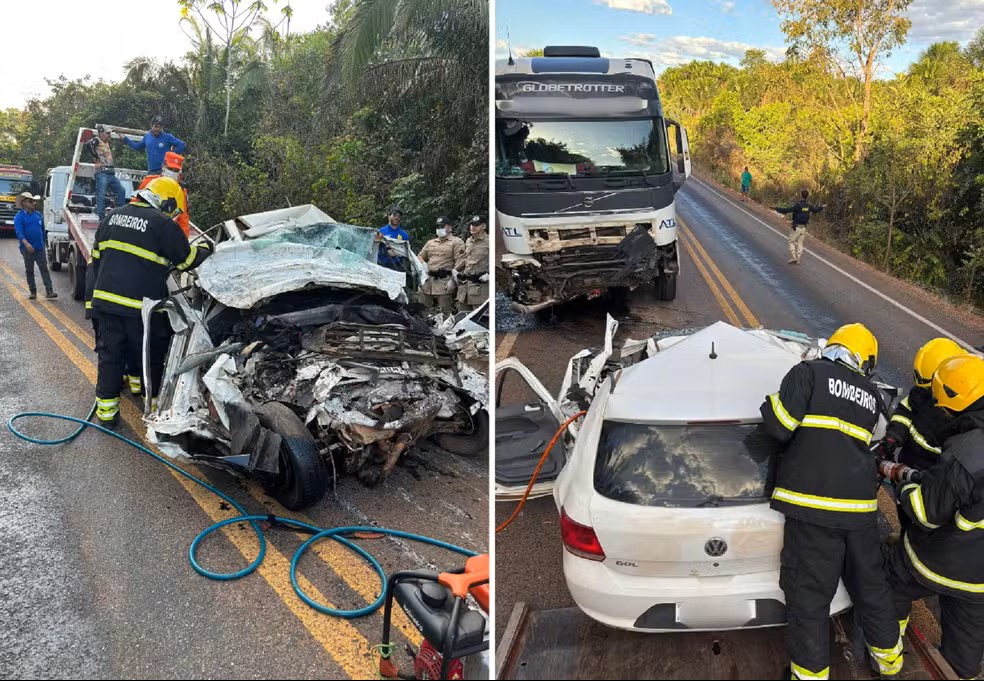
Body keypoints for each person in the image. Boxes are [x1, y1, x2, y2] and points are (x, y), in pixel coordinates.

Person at [759, 323, 904, 680]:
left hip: (813, 509)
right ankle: (891, 665)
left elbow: (778, 426)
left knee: (809, 600)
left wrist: (769, 405)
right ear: (865, 361)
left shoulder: (808, 373)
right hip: (859, 513)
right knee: (871, 589)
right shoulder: (871, 395)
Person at [881, 354, 984, 681]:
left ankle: (887, 660)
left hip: (944, 560)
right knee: (964, 651)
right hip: (980, 580)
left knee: (890, 579)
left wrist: (905, 486)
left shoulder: (969, 450)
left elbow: (927, 513)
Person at [85, 177, 210, 428]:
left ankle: (107, 416)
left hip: (106, 304)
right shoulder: (162, 225)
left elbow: (95, 261)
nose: (173, 215)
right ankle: (151, 409)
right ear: (165, 201)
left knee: (110, 357)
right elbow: (185, 260)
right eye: (173, 210)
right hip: (139, 308)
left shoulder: (112, 217)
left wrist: (93, 304)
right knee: (148, 356)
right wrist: (208, 247)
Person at [878, 338, 964, 472]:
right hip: (907, 465)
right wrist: (893, 436)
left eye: (930, 388)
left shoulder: (963, 409)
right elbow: (905, 411)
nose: (926, 392)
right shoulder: (922, 392)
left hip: (934, 477)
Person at [137, 152, 190, 237]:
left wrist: (184, 243)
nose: (172, 173)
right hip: (144, 226)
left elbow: (182, 219)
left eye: (175, 170)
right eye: (170, 169)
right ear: (163, 166)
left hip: (166, 231)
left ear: (179, 172)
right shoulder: (148, 182)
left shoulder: (181, 191)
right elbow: (134, 205)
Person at [13, 192, 56, 300]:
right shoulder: (19, 217)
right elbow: (19, 233)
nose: (33, 203)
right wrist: (27, 244)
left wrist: (45, 245)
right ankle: (33, 291)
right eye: (30, 201)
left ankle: (49, 290)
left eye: (33, 201)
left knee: (44, 269)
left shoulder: (38, 215)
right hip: (27, 249)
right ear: (24, 203)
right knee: (30, 270)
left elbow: (42, 231)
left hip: (39, 248)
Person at [418, 216, 465, 313]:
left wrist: (453, 280)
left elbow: (461, 262)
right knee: (423, 311)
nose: (440, 229)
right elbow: (420, 256)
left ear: (450, 228)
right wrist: (423, 263)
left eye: (443, 226)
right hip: (428, 281)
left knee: (445, 312)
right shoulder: (430, 243)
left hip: (444, 281)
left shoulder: (456, 242)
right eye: (438, 227)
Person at [84, 125, 128, 220]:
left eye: (110, 133)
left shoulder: (106, 142)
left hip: (110, 172)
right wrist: (96, 157)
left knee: (121, 191)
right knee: (101, 193)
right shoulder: (97, 140)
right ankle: (101, 215)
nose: (109, 135)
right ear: (101, 133)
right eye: (107, 133)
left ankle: (118, 213)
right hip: (102, 171)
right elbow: (88, 145)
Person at [121, 116, 186, 174]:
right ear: (151, 126)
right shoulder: (147, 137)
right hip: (151, 171)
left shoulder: (167, 137)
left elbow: (181, 145)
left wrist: (170, 155)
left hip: (164, 171)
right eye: (156, 126)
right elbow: (137, 147)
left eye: (160, 127)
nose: (158, 129)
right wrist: (126, 139)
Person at [775, 189, 823, 265]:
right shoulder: (809, 206)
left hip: (796, 227)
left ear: (801, 195)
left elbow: (787, 210)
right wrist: (821, 207)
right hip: (803, 228)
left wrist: (778, 209)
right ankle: (799, 258)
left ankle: (794, 256)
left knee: (791, 241)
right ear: (807, 196)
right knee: (800, 243)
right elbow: (816, 210)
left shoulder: (798, 205)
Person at [454, 215, 489, 312]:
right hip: (465, 287)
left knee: (479, 318)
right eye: (472, 224)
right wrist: (455, 270)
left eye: (476, 225)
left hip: (480, 286)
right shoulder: (469, 241)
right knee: (463, 316)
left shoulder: (489, 242)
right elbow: (467, 259)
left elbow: (496, 261)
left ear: (484, 226)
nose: (473, 227)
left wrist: (490, 275)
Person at [377, 206, 410, 270]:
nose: (397, 218)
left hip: (397, 267)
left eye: (399, 216)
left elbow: (406, 252)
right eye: (394, 215)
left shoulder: (404, 235)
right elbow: (375, 247)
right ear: (389, 217)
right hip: (382, 265)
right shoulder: (381, 231)